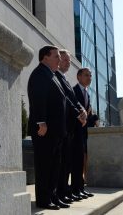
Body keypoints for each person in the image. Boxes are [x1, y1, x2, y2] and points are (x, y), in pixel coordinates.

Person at [27, 45, 66, 210]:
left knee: (54, 166)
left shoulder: (53, 75)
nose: (60, 60)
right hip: (44, 130)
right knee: (44, 166)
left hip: (55, 131)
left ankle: (53, 196)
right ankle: (43, 200)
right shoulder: (39, 74)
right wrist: (41, 122)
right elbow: (38, 98)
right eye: (56, 56)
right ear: (45, 57)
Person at [55, 50, 87, 203]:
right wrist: (79, 113)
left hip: (71, 130)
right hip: (64, 127)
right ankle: (62, 192)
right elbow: (67, 100)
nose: (68, 62)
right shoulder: (55, 77)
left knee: (67, 163)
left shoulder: (64, 79)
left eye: (69, 60)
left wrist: (82, 111)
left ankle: (66, 192)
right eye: (65, 60)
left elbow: (73, 100)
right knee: (62, 164)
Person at [71, 68, 94, 199]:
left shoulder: (87, 93)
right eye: (86, 75)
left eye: (90, 75)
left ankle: (80, 188)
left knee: (81, 161)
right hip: (74, 133)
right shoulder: (74, 91)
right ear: (78, 77)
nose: (89, 77)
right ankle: (74, 189)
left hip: (83, 133)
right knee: (75, 162)